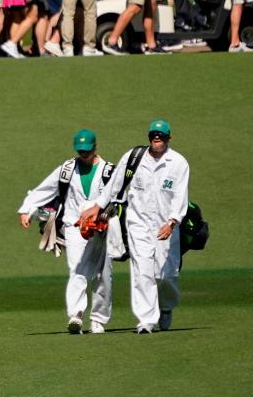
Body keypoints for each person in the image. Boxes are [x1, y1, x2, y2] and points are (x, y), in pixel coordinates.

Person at [81, 120, 189, 334]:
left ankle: (166, 307)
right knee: (142, 272)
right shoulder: (134, 157)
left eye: (161, 135)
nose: (156, 138)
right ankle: (146, 320)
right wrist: (97, 206)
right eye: (153, 135)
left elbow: (180, 197)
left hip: (166, 225)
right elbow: (114, 184)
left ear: (168, 138)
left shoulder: (178, 163)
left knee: (165, 275)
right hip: (138, 223)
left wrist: (172, 222)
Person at [18, 129, 114, 334]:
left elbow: (121, 197)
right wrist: (27, 209)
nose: (84, 154)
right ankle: (76, 316)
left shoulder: (108, 171)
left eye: (87, 150)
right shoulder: (67, 169)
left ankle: (98, 318)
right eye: (80, 150)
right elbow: (46, 188)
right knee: (77, 269)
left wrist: (108, 215)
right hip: (74, 226)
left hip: (103, 229)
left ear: (95, 146)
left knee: (102, 273)